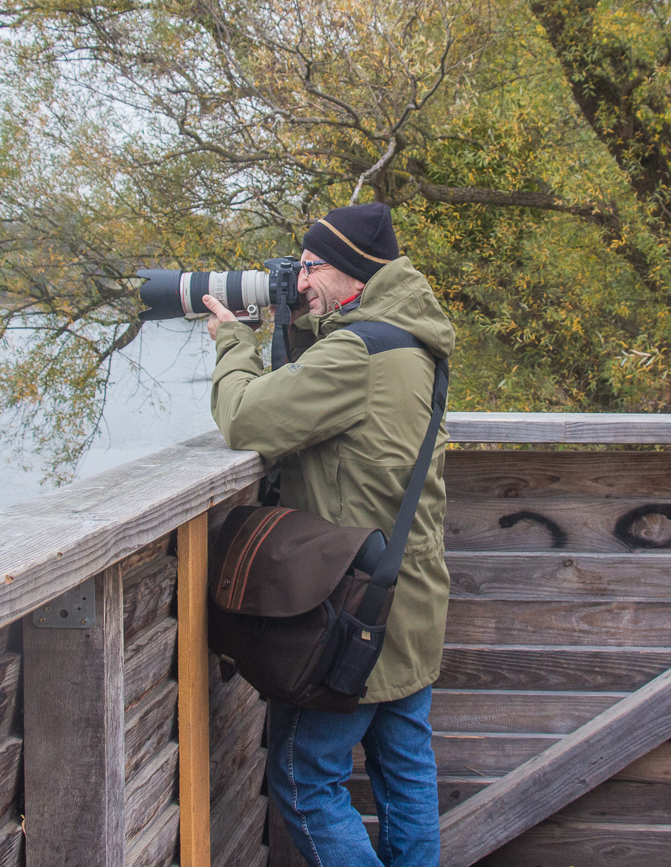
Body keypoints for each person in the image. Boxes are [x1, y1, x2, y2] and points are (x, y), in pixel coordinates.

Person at [202, 202, 454, 867]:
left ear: (352, 272)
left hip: (351, 614)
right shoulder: (410, 341)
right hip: (412, 596)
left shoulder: (358, 352)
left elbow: (249, 419)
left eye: (312, 265)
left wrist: (234, 345)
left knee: (300, 777)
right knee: (405, 772)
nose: (303, 277)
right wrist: (302, 321)